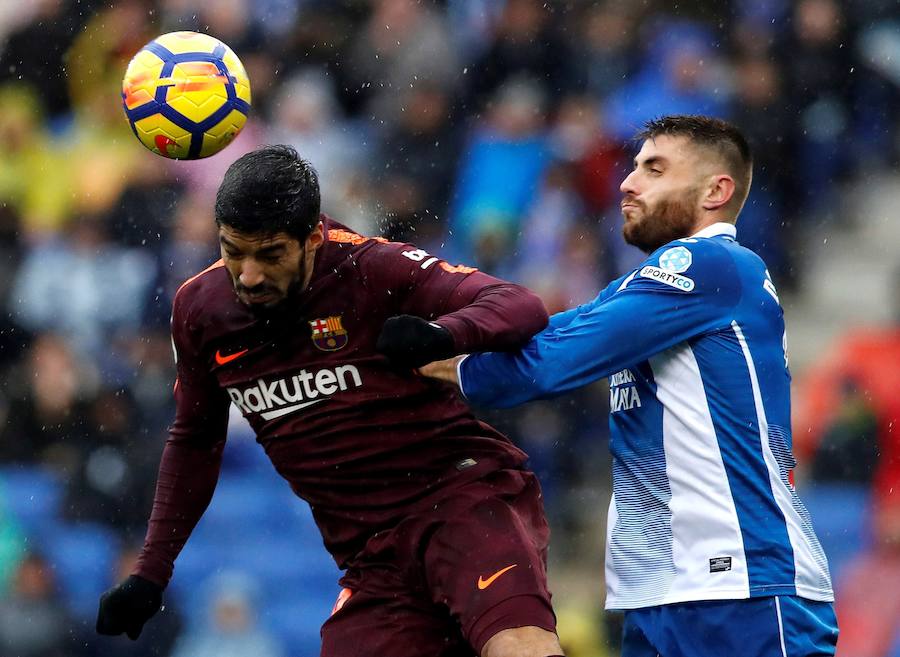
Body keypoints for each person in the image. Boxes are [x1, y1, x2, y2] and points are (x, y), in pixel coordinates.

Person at [95, 145, 565, 657]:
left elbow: (519, 304)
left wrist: (442, 334)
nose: (249, 274)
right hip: (371, 557)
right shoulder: (200, 310)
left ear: (313, 237)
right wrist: (151, 572)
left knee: (519, 647)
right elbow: (194, 440)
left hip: (462, 502)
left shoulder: (372, 269)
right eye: (234, 251)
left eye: (271, 254)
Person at [420, 115, 840, 656]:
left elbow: (553, 361)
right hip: (661, 591)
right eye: (634, 166)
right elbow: (556, 333)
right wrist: (451, 337)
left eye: (654, 169)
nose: (627, 182)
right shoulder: (649, 289)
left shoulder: (706, 262)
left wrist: (450, 365)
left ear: (716, 190)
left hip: (741, 586)